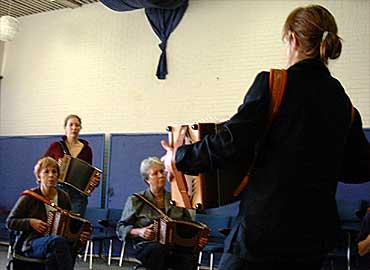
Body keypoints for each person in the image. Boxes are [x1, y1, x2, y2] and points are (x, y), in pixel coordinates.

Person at [161, 4, 370, 270]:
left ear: (293, 39)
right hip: (313, 239)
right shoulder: (344, 104)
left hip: (263, 233)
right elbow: (361, 168)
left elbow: (230, 142)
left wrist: (179, 157)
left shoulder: (274, 84)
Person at [116, 156, 207, 270]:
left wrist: (197, 238)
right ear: (147, 179)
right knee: (158, 249)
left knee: (189, 256)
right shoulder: (136, 200)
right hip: (147, 246)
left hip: (176, 246)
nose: (161, 175)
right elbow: (120, 228)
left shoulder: (176, 198)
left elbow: (189, 225)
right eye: (155, 173)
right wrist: (140, 232)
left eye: (162, 171)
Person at [6, 157, 91, 270]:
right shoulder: (29, 197)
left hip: (57, 245)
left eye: (54, 172)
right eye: (46, 171)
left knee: (54, 257)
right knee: (57, 242)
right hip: (32, 243)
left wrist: (79, 235)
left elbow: (70, 224)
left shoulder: (63, 197)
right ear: (39, 176)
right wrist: (30, 222)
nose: (51, 175)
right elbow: (10, 222)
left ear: (58, 176)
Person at [44, 114, 100, 217]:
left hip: (77, 196)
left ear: (80, 128)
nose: (74, 128)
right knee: (56, 224)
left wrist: (94, 181)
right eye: (71, 125)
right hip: (58, 192)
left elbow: (90, 174)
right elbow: (42, 166)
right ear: (65, 128)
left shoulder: (87, 149)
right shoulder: (56, 146)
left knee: (74, 226)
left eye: (77, 125)